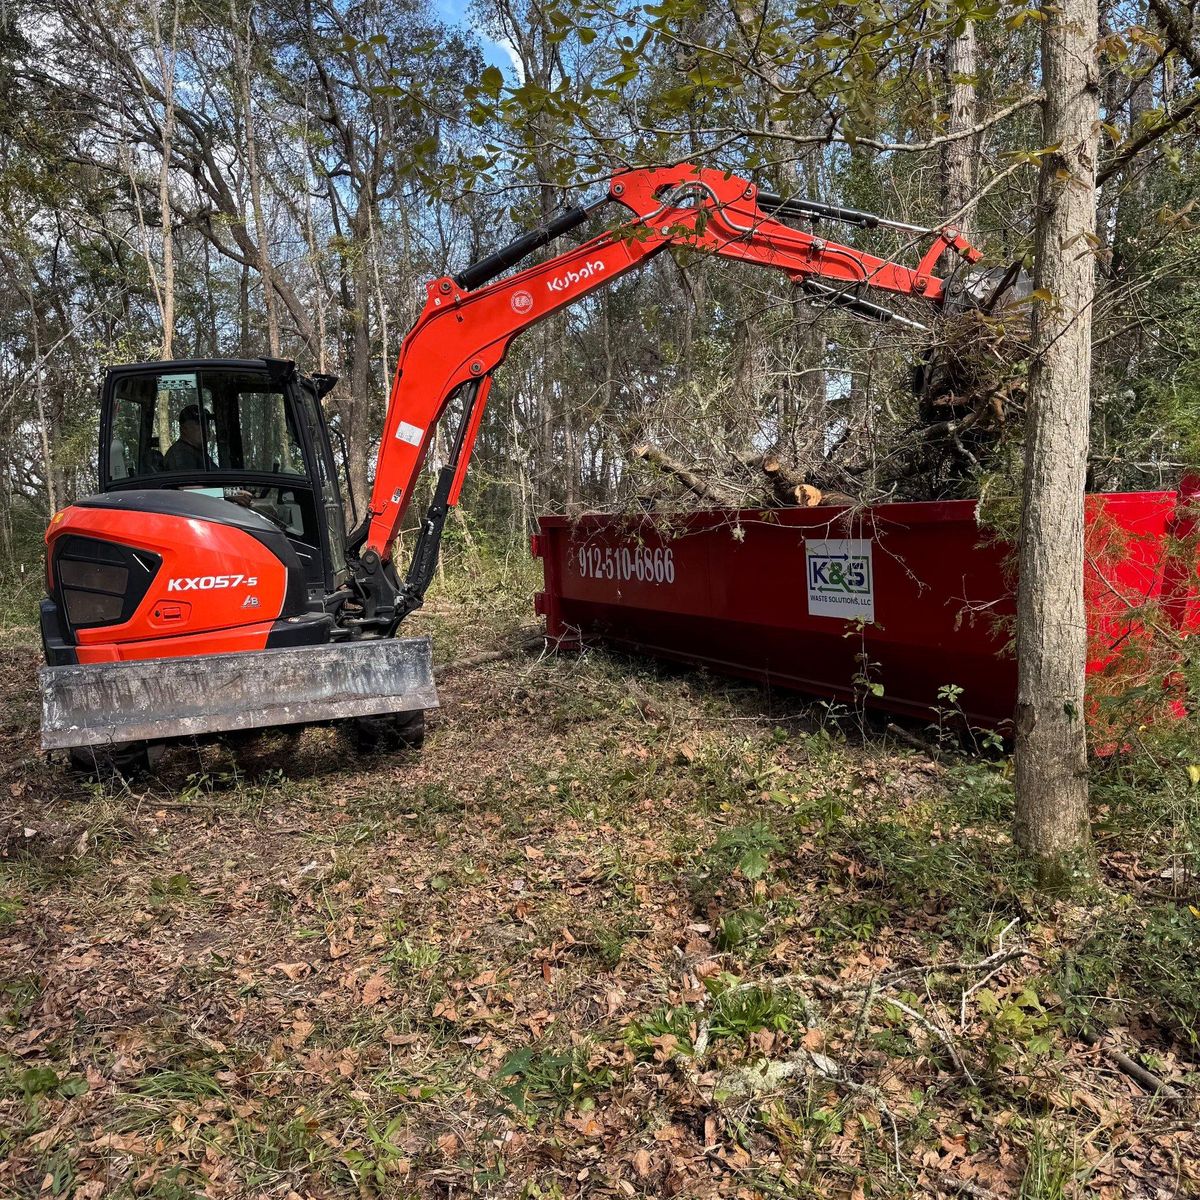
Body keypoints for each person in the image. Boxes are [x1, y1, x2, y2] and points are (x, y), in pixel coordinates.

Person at [165, 403, 213, 472]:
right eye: (198, 424)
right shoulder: (182, 455)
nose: (206, 428)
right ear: (184, 428)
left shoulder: (194, 451)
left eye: (206, 423)